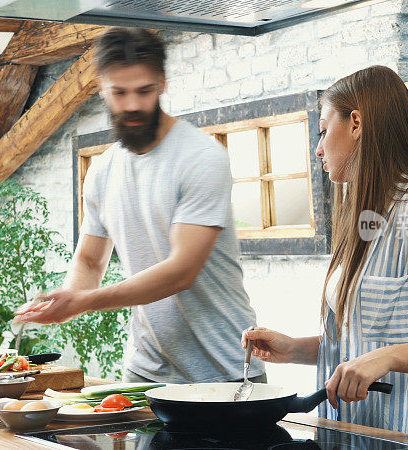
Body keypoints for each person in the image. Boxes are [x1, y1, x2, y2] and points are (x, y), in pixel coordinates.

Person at [242, 65, 408, 443]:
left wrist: (390, 357)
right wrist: (295, 349)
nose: (318, 148)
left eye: (324, 131)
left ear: (356, 123)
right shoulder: (362, 220)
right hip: (352, 435)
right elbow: (361, 347)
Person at [15, 28, 265, 385]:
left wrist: (83, 302)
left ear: (162, 84)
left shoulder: (201, 157)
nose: (132, 104)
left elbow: (181, 271)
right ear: (102, 88)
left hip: (224, 371)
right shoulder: (101, 171)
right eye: (119, 92)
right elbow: (89, 261)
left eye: (144, 91)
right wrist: (66, 298)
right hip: (146, 371)